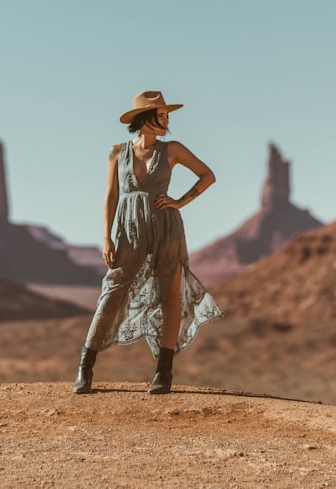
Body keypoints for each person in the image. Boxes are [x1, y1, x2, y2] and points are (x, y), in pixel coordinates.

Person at [73, 90, 224, 395]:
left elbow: (207, 175)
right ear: (145, 119)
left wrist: (180, 202)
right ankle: (85, 368)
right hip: (128, 231)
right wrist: (106, 236)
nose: (167, 120)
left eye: (167, 115)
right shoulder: (118, 152)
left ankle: (163, 373)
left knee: (170, 294)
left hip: (166, 229)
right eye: (162, 115)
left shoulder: (173, 149)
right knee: (112, 292)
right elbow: (111, 196)